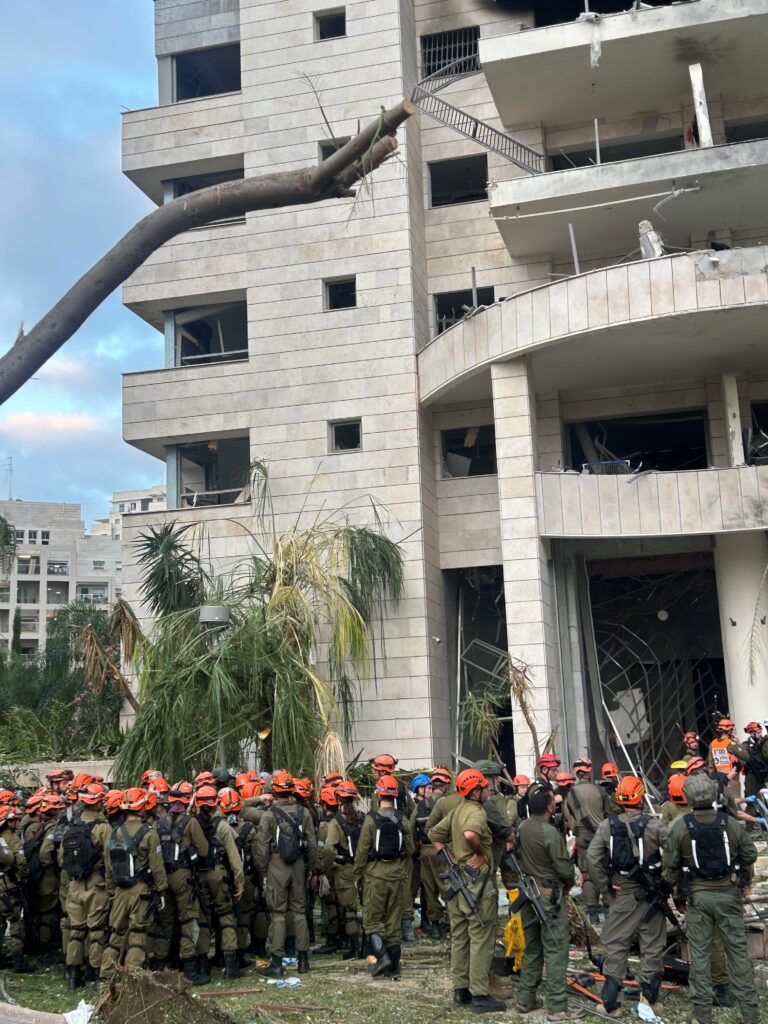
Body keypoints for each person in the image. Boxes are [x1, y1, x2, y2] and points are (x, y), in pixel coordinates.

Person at [663, 773, 761, 1024]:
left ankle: (702, 1014)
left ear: (688, 797)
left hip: (698, 898)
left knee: (700, 956)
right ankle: (750, 1014)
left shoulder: (680, 827)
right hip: (729, 894)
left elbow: (671, 868)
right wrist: (742, 879)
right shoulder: (730, 823)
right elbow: (750, 855)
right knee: (738, 953)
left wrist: (677, 896)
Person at [586, 776, 668, 1016]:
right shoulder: (654, 825)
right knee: (652, 946)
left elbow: (592, 858)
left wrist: (606, 889)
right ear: (641, 797)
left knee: (616, 945)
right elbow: (674, 852)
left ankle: (612, 1004)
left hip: (622, 893)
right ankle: (649, 1001)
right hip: (653, 896)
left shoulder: (607, 826)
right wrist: (667, 882)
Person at [429, 767, 504, 1015]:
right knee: (481, 937)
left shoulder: (457, 810)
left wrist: (448, 855)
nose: (488, 789)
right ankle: (480, 995)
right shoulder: (476, 812)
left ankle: (460, 990)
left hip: (458, 883)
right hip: (476, 885)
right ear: (475, 791)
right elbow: (470, 834)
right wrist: (481, 853)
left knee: (460, 937)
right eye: (484, 786)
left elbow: (433, 833)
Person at [514, 785, 577, 1022]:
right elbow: (564, 868)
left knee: (532, 947)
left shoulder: (523, 827)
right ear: (550, 808)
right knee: (556, 950)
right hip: (549, 897)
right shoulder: (550, 833)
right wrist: (568, 883)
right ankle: (558, 1007)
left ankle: (525, 998)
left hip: (527, 894)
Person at [100, 787, 168, 981]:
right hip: (141, 890)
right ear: (142, 808)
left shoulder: (114, 832)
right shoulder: (150, 834)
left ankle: (106, 977)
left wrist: (112, 892)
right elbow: (157, 867)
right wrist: (161, 890)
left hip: (119, 890)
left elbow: (109, 867)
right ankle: (132, 978)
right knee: (137, 933)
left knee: (116, 935)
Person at [255, 770, 317, 978]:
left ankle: (276, 962)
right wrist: (312, 868)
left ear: (274, 791)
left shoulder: (268, 815)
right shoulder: (304, 813)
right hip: (298, 865)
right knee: (299, 911)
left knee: (278, 913)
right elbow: (312, 844)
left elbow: (261, 847)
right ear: (291, 790)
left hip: (276, 864)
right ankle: (303, 961)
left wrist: (263, 869)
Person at [354, 773, 413, 979]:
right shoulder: (403, 819)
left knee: (372, 921)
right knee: (393, 921)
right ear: (395, 795)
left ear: (379, 795)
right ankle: (394, 967)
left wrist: (358, 875)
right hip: (397, 876)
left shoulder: (371, 819)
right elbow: (410, 849)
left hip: (375, 876)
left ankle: (381, 957)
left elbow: (362, 851)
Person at [152, 780, 209, 983]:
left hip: (163, 877)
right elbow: (204, 850)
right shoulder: (190, 822)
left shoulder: (158, 823)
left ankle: (160, 967)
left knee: (165, 922)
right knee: (187, 921)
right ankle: (189, 972)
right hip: (183, 877)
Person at [60, 783, 112, 987]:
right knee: (96, 931)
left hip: (75, 886)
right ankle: (95, 973)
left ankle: (73, 975)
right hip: (96, 885)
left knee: (76, 930)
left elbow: (61, 858)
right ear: (98, 803)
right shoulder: (103, 828)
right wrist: (111, 887)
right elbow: (110, 861)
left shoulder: (71, 826)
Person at [195, 783, 245, 981]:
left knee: (203, 919)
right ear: (216, 803)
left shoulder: (192, 824)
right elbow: (235, 857)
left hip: (199, 876)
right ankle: (230, 967)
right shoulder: (223, 826)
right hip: (219, 875)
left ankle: (202, 968)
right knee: (226, 916)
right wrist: (240, 883)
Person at [368, 754, 416, 942]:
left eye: (374, 769)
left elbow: (375, 816)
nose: (372, 772)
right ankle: (406, 926)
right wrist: (408, 834)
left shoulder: (379, 790)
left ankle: (395, 926)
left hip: (384, 846)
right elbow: (412, 811)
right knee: (404, 883)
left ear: (381, 771)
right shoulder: (401, 787)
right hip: (402, 841)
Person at [563, 757, 611, 924]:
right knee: (604, 869)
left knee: (588, 873)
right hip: (601, 834)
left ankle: (592, 913)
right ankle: (608, 908)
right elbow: (608, 814)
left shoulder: (570, 794)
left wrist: (576, 827)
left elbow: (567, 816)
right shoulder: (600, 791)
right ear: (589, 771)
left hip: (583, 836)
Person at [322, 779, 364, 959]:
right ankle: (367, 945)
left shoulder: (336, 822)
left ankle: (355, 948)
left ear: (338, 799)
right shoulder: (364, 818)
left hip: (345, 870)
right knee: (364, 907)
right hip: (363, 869)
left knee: (350, 910)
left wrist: (327, 867)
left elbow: (328, 849)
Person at [419, 767, 452, 936]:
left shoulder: (421, 804)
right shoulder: (448, 804)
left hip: (425, 851)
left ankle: (436, 926)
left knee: (430, 889)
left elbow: (411, 826)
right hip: (443, 850)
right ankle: (453, 920)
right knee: (447, 886)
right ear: (446, 785)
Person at [0, 804, 34, 974]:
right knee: (16, 925)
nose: (18, 821)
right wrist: (24, 876)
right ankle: (18, 961)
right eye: (16, 819)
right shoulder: (11, 838)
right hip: (10, 887)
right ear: (9, 822)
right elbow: (20, 862)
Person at [743, 721, 768, 799]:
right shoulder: (746, 745)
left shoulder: (763, 742)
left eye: (761, 732)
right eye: (758, 732)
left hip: (764, 775)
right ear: (751, 733)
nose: (760, 734)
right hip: (752, 776)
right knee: (751, 798)